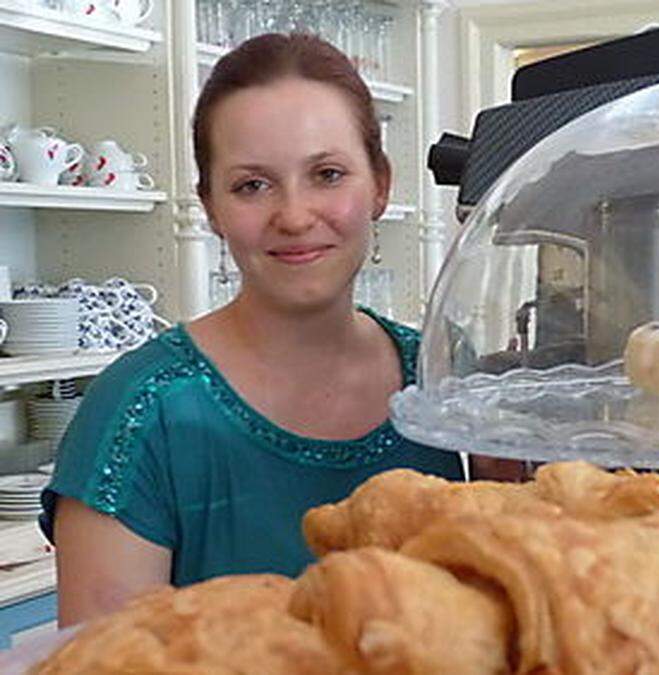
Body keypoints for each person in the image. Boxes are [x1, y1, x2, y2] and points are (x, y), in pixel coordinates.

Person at [40, 33, 466, 626]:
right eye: (252, 185)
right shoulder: (141, 413)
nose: (293, 216)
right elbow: (105, 663)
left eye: (327, 173)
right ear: (211, 207)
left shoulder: (446, 377)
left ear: (381, 185)